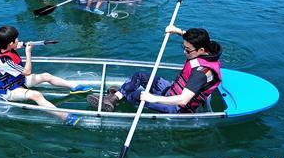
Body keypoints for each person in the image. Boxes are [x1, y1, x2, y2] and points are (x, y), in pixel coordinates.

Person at [87, 26, 222, 113]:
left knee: (136, 95)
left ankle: (122, 96)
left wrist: (153, 98)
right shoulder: (204, 48)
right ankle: (115, 97)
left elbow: (183, 100)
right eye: (183, 47)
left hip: (177, 106)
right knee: (140, 75)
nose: (184, 52)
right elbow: (192, 38)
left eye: (187, 50)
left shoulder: (202, 72)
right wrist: (178, 31)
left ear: (202, 50)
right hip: (170, 89)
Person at [0, 26, 93, 126]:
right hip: (9, 91)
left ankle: (74, 87)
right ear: (10, 43)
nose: (18, 40)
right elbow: (27, 72)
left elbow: (12, 48)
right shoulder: (4, 61)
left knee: (46, 76)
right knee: (36, 95)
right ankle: (65, 118)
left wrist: (22, 45)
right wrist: (28, 52)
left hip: (17, 81)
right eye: (16, 39)